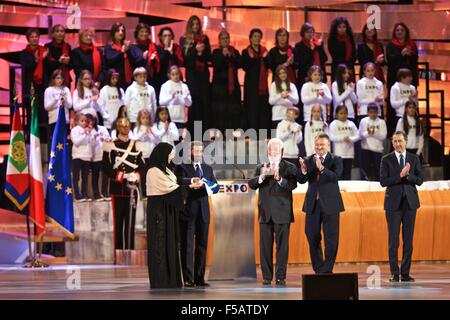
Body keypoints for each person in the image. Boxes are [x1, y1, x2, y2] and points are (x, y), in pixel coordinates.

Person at [147, 142, 203, 289]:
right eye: (170, 153)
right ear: (163, 153)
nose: (172, 156)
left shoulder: (166, 170)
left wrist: (190, 183)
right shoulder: (153, 171)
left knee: (170, 243)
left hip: (168, 212)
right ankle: (161, 280)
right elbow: (170, 189)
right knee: (160, 244)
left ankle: (171, 279)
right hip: (159, 213)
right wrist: (190, 187)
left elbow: (175, 183)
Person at [248, 138, 298, 286]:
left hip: (283, 213)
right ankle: (267, 277)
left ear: (281, 151)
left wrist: (280, 179)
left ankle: (281, 277)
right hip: (265, 213)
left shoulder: (289, 167)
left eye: (275, 150)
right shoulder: (261, 167)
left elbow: (292, 185)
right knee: (265, 248)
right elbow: (251, 184)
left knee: (282, 248)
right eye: (270, 150)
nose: (272, 152)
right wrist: (262, 176)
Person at [297, 133, 344, 274]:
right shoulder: (308, 160)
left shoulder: (336, 159)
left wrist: (322, 169)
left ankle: (327, 269)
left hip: (331, 205)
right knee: (312, 236)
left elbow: (336, 177)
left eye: (322, 145)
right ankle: (318, 269)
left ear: (328, 145)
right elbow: (301, 180)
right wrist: (303, 170)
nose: (319, 147)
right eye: (317, 145)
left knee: (331, 239)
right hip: (313, 204)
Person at [380, 131, 423, 282]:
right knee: (393, 240)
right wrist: (400, 175)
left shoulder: (414, 158)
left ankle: (405, 273)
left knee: (408, 240)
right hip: (393, 204)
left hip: (410, 204)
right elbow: (383, 181)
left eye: (400, 141)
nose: (398, 144)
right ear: (392, 143)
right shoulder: (386, 159)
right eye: (395, 141)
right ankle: (394, 273)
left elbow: (420, 180)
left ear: (406, 142)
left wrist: (408, 175)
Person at [176, 141, 219, 287]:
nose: (199, 153)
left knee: (202, 245)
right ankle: (188, 278)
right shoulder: (182, 167)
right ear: (190, 152)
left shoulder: (207, 168)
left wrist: (211, 186)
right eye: (197, 150)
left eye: (201, 150)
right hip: (188, 211)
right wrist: (191, 181)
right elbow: (179, 181)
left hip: (204, 212)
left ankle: (200, 278)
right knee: (187, 246)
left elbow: (215, 185)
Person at [102, 117, 145, 251]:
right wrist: (119, 175)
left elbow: (143, 165)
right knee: (118, 222)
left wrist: (137, 175)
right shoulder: (111, 144)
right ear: (117, 128)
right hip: (118, 187)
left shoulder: (136, 144)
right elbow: (106, 166)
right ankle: (119, 252)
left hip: (132, 188)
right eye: (122, 126)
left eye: (127, 126)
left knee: (131, 223)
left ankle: (130, 251)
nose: (125, 128)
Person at [180, 15, 212, 133]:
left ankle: (204, 131)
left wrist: (201, 53)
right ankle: (193, 132)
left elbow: (209, 56)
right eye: (193, 24)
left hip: (203, 74)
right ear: (189, 25)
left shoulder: (204, 38)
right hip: (192, 74)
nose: (195, 26)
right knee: (194, 101)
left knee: (204, 101)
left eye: (197, 24)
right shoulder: (184, 39)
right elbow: (185, 59)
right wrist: (195, 50)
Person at [211, 30, 243, 134]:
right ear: (219, 41)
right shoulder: (216, 52)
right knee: (221, 114)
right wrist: (224, 56)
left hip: (232, 89)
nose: (225, 40)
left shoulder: (234, 51)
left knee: (232, 112)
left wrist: (230, 55)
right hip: (219, 90)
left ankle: (231, 134)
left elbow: (240, 64)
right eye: (223, 38)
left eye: (226, 38)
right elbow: (217, 65)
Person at [241, 28, 270, 132]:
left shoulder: (265, 52)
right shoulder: (246, 52)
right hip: (251, 86)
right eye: (255, 36)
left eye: (259, 36)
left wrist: (265, 58)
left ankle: (263, 136)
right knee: (252, 110)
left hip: (262, 87)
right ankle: (251, 134)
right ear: (250, 38)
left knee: (262, 110)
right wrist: (254, 59)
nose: (257, 38)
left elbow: (269, 66)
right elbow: (245, 67)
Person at [21, 28, 48, 132]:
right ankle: (31, 138)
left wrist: (44, 59)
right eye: (32, 37)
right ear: (28, 39)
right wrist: (37, 60)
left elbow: (49, 67)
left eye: (36, 36)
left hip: (43, 85)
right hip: (30, 85)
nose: (34, 39)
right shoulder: (24, 53)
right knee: (32, 111)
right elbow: (26, 67)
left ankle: (43, 138)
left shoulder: (44, 51)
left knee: (42, 111)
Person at [129, 23, 162, 96]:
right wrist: (142, 58)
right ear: (137, 33)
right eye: (141, 31)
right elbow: (132, 64)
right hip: (139, 80)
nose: (144, 33)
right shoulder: (132, 47)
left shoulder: (153, 46)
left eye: (146, 31)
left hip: (153, 79)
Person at [294, 22, 327, 91]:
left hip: (319, 75)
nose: (310, 34)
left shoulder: (317, 44)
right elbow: (301, 62)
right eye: (307, 32)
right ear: (303, 33)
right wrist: (311, 50)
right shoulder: (299, 46)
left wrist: (320, 47)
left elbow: (324, 58)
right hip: (306, 77)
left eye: (311, 32)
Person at [358, 103, 387, 181]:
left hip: (377, 150)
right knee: (365, 171)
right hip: (365, 149)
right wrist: (368, 133)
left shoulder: (382, 122)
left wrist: (373, 133)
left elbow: (383, 136)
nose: (373, 114)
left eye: (375, 112)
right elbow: (360, 136)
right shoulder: (363, 121)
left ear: (377, 112)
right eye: (371, 112)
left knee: (377, 171)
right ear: (367, 112)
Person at [329, 106, 359, 180]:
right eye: (341, 113)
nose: (343, 115)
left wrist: (350, 139)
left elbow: (358, 136)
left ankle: (347, 191)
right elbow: (331, 137)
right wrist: (342, 139)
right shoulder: (333, 124)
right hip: (339, 154)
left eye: (345, 113)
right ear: (336, 114)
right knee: (339, 174)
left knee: (347, 173)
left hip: (349, 154)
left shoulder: (351, 124)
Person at [86, 113, 111, 201]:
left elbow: (109, 138)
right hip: (94, 156)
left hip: (103, 155)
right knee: (95, 175)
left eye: (93, 120)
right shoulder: (87, 131)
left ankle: (105, 192)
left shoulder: (102, 128)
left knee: (106, 175)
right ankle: (96, 194)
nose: (91, 122)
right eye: (89, 121)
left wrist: (105, 139)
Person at [159, 65, 192, 130]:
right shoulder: (165, 86)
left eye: (177, 74)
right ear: (169, 75)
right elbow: (161, 102)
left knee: (178, 138)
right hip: (168, 118)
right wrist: (171, 97)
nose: (175, 76)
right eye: (173, 74)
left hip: (180, 118)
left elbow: (189, 104)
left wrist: (185, 98)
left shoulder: (184, 86)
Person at [44, 69, 72, 139]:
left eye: (61, 78)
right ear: (53, 79)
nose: (60, 80)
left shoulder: (66, 89)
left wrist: (64, 99)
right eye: (58, 78)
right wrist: (56, 99)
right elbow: (47, 107)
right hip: (54, 120)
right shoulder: (49, 90)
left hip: (65, 120)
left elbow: (70, 105)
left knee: (64, 141)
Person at [71, 112, 93, 202]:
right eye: (82, 121)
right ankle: (77, 195)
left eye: (85, 121)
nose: (84, 122)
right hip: (77, 156)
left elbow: (88, 143)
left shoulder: (87, 131)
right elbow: (76, 142)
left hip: (86, 156)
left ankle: (84, 194)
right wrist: (84, 134)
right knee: (76, 177)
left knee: (85, 177)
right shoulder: (75, 130)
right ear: (76, 121)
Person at [269, 65, 299, 129]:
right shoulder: (274, 85)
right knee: (276, 138)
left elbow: (296, 101)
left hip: (289, 117)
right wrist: (280, 96)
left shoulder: (292, 85)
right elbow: (271, 101)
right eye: (280, 73)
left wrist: (288, 96)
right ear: (277, 75)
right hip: (277, 116)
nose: (282, 75)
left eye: (284, 73)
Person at [104, 22, 133, 90]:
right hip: (115, 81)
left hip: (128, 81)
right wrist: (122, 52)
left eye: (122, 31)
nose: (121, 32)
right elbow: (110, 60)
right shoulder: (109, 47)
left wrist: (127, 50)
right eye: (118, 31)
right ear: (113, 33)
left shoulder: (128, 47)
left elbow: (133, 62)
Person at [327, 17, 356, 82]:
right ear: (335, 28)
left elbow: (354, 53)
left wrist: (349, 66)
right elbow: (334, 55)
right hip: (337, 68)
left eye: (344, 27)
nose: (342, 29)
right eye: (339, 27)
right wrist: (344, 67)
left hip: (349, 67)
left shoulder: (350, 38)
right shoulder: (332, 40)